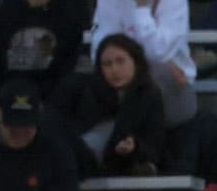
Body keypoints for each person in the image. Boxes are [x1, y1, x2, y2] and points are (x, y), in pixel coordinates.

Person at [87, 0, 196, 128]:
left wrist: (140, 6)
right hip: (120, 85)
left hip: (169, 90)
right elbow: (102, 50)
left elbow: (158, 52)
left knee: (155, 72)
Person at [54, 34, 167, 178]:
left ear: (136, 62)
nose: (114, 69)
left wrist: (133, 147)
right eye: (107, 64)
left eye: (120, 62)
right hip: (80, 159)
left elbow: (154, 147)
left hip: (124, 164)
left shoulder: (149, 96)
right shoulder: (85, 90)